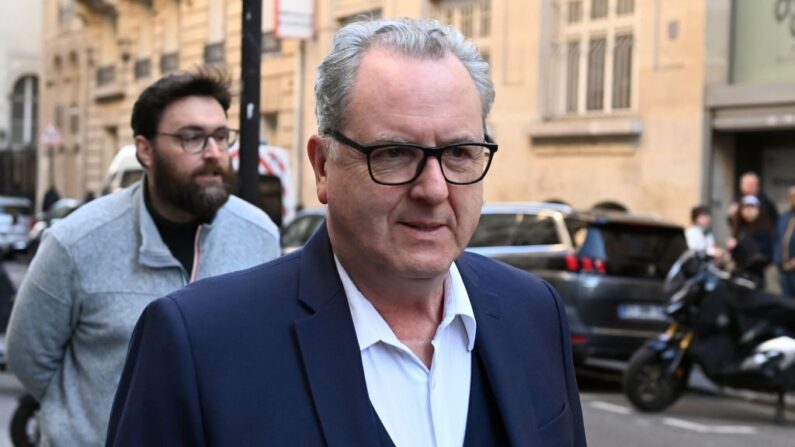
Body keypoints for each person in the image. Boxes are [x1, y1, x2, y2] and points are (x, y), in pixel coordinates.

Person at [106, 18, 586, 446]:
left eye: (459, 153)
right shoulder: (198, 342)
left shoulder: (534, 312)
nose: (434, 189)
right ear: (322, 167)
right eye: (395, 153)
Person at [5, 70, 281, 446]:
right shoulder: (76, 242)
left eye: (220, 136)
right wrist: (88, 422)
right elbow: (28, 357)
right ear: (145, 150)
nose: (214, 153)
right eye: (192, 138)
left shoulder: (259, 235)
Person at [726, 195, 774, 287]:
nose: (749, 211)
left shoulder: (763, 229)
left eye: (752, 208)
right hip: (739, 272)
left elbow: (761, 253)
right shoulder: (740, 228)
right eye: (746, 208)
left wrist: (738, 244)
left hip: (754, 274)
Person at [775, 185, 795, 296]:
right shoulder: (785, 217)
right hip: (784, 269)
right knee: (786, 304)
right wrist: (777, 259)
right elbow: (778, 239)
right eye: (792, 196)